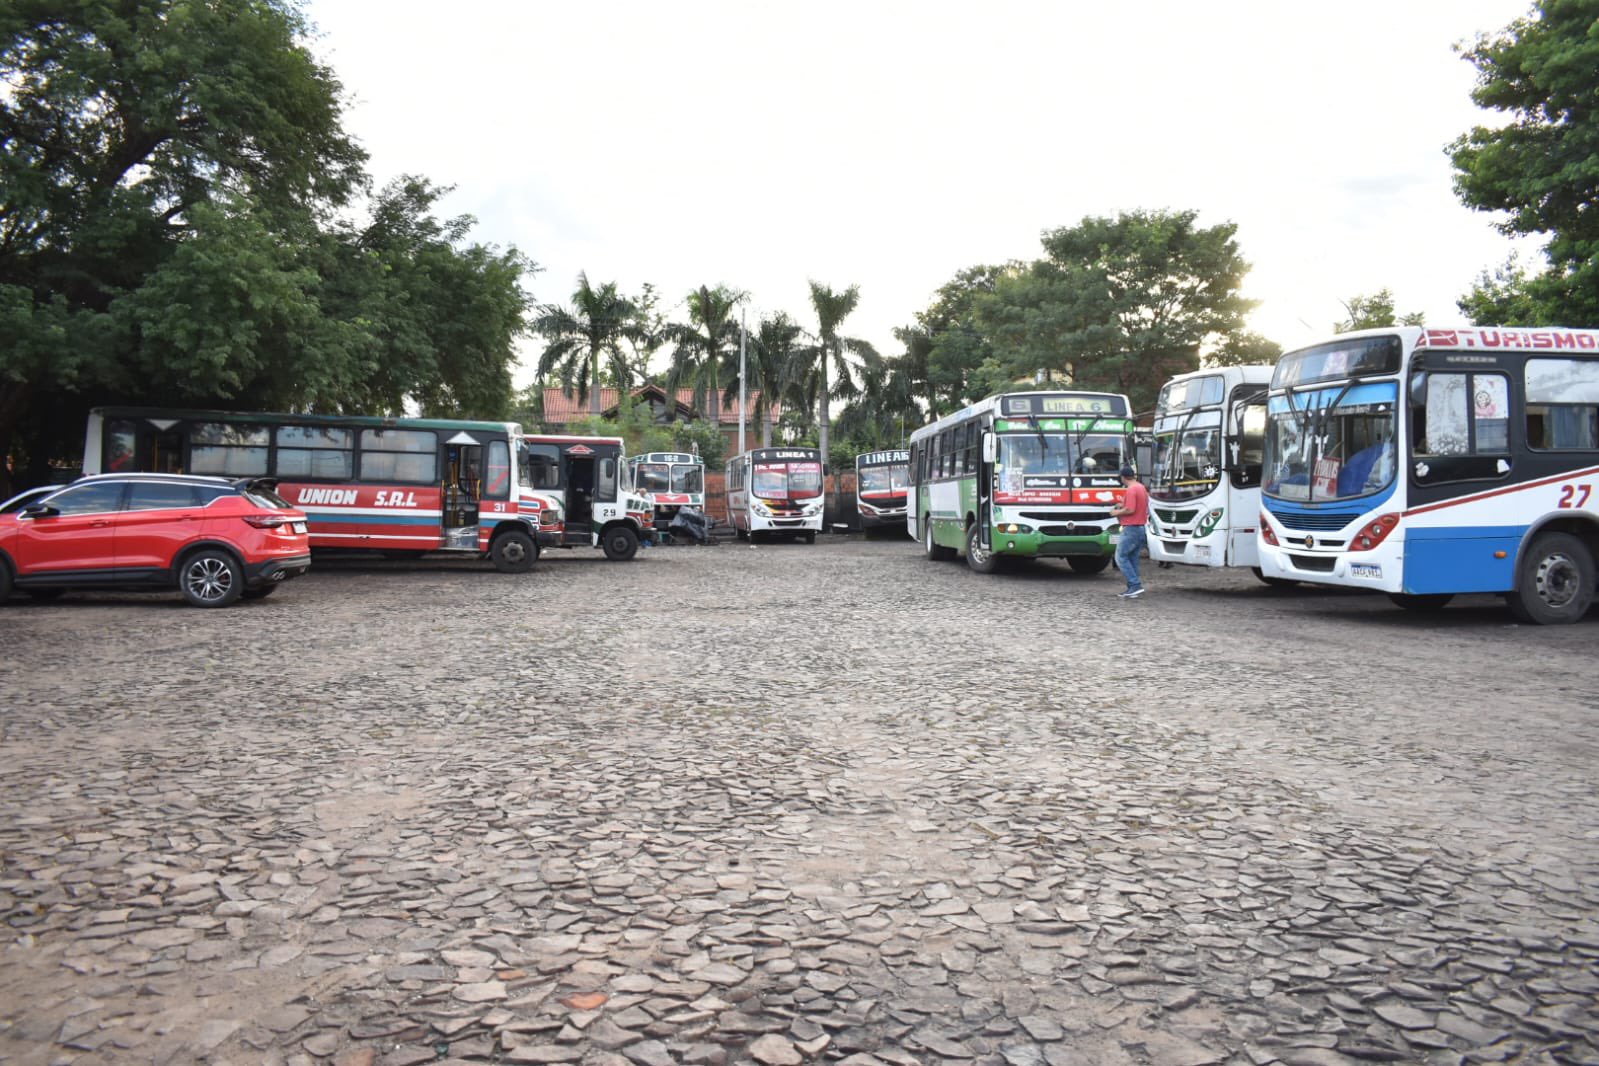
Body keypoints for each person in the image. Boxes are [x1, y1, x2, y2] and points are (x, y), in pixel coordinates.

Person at [1109, 464, 1149, 598]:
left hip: (1131, 528)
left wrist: (1116, 512)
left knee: (1120, 557)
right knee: (1132, 558)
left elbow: (1130, 510)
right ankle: (1134, 587)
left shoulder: (1131, 490)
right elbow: (1138, 506)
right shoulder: (1141, 487)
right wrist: (1123, 505)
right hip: (1141, 528)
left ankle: (1134, 584)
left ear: (1123, 477)